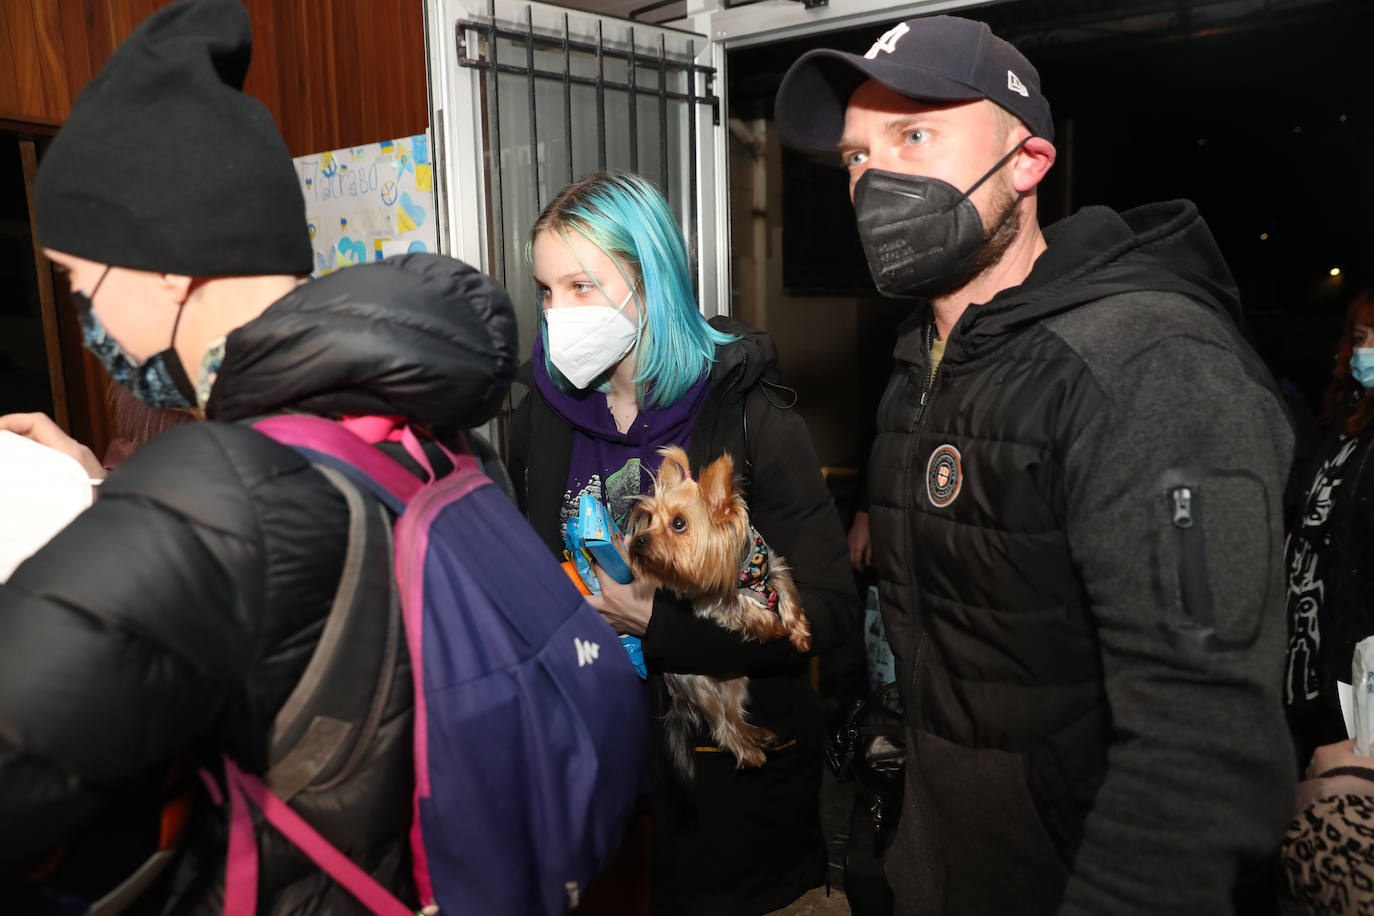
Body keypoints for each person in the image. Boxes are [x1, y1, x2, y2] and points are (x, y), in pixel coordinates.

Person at [0, 1, 516, 911]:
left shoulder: (215, 487)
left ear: (163, 266)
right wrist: (102, 490)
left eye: (81, 280)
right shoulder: (419, 427)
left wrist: (135, 511)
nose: (84, 319)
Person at [774, 15, 1295, 915]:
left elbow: (1204, 744)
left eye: (916, 134)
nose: (874, 179)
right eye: (857, 155)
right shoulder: (918, 364)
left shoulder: (1149, 367)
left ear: (1028, 163)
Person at [505, 171, 857, 915]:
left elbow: (825, 611)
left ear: (650, 280)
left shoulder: (751, 417)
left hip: (732, 815)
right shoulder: (538, 416)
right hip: (592, 803)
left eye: (581, 287)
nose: (556, 314)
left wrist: (658, 625)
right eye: (544, 290)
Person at [1286, 290, 1374, 766]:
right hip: (1312, 645)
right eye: (1361, 338)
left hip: (1358, 660)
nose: (1367, 351)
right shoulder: (1345, 421)